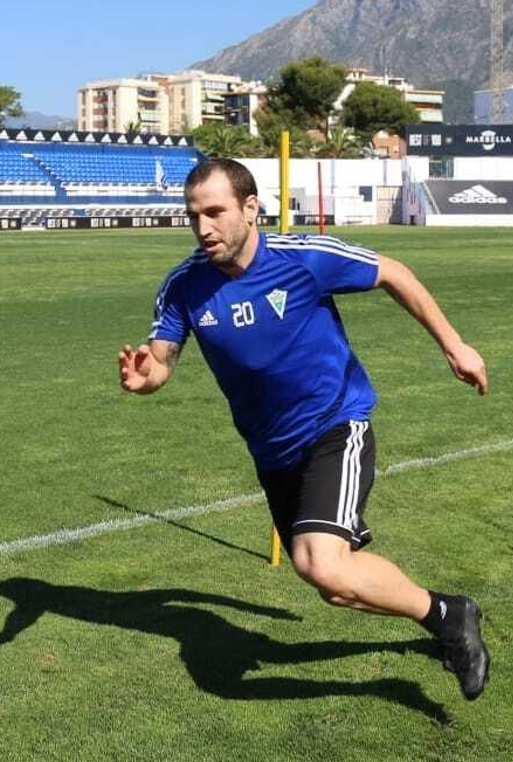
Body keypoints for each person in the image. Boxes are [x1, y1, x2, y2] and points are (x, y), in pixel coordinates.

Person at [117, 157, 491, 700]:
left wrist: (455, 347)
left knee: (322, 563)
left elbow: (394, 273)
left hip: (335, 424)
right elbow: (162, 362)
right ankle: (447, 612)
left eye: (216, 213)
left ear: (250, 208)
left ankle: (444, 626)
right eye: (193, 216)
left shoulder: (304, 258)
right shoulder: (183, 286)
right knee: (332, 585)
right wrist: (145, 378)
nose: (203, 229)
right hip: (272, 451)